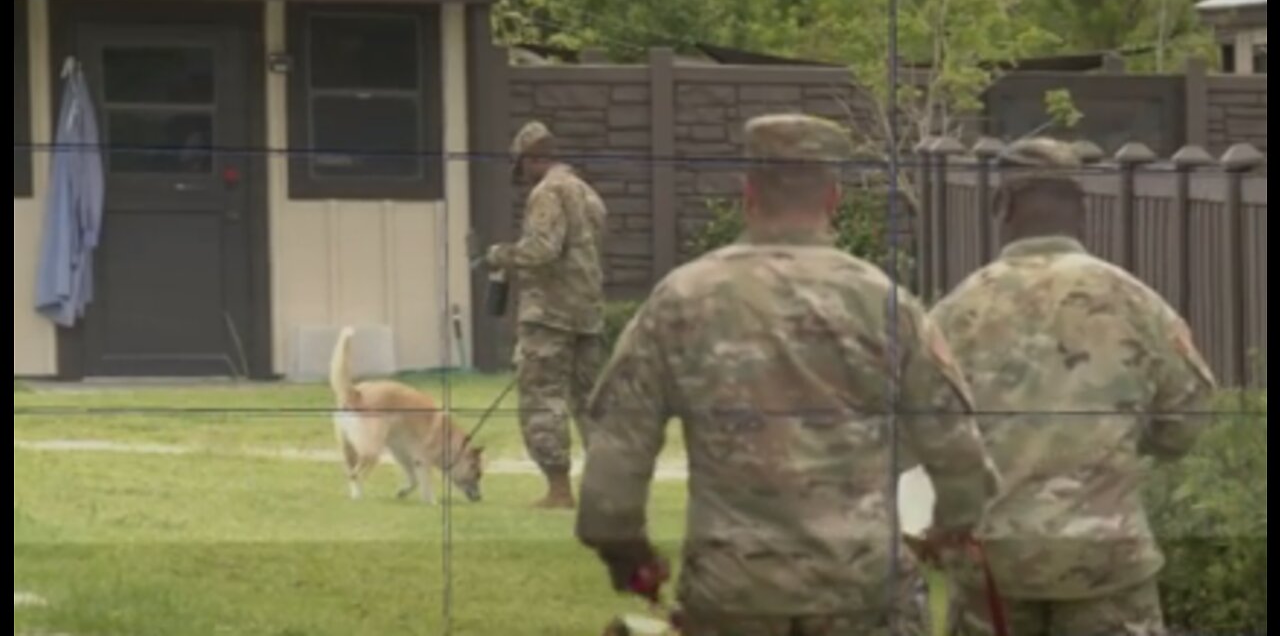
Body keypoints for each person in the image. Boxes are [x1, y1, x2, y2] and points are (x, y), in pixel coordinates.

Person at [575, 113, 1000, 636]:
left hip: (732, 593)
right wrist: (948, 530)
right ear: (833, 197)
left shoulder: (681, 300)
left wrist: (628, 554)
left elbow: (611, 474)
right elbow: (960, 454)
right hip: (861, 591)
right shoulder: (886, 303)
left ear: (748, 192)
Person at [929, 138, 1217, 636]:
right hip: (1106, 560)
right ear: (1082, 210)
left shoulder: (958, 312)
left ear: (1003, 207)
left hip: (993, 568)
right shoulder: (1136, 303)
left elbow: (921, 428)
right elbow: (1185, 421)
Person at [486, 120, 608, 510]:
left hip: (549, 314)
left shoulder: (548, 192)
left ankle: (559, 490)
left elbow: (542, 250)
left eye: (521, 167)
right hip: (587, 313)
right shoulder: (587, 193)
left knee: (542, 397)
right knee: (589, 401)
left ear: (532, 158)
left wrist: (500, 255)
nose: (521, 178)